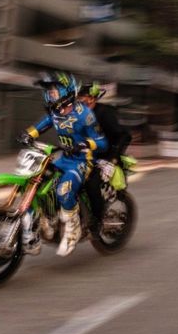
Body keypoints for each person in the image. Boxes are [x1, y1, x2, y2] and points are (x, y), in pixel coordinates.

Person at [17, 71, 108, 257]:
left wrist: (85, 144)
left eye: (54, 91)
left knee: (64, 190)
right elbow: (41, 125)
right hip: (63, 158)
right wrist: (28, 134)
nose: (50, 95)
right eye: (48, 92)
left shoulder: (85, 115)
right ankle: (35, 229)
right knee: (35, 181)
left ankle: (73, 228)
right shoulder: (55, 112)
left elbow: (102, 142)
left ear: (67, 91)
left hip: (82, 161)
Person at [79, 82, 132, 224]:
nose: (79, 100)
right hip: (85, 157)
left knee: (91, 183)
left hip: (106, 158)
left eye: (82, 97)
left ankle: (97, 220)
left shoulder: (104, 113)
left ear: (92, 98)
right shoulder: (78, 115)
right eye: (78, 97)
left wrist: (113, 158)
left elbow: (124, 136)